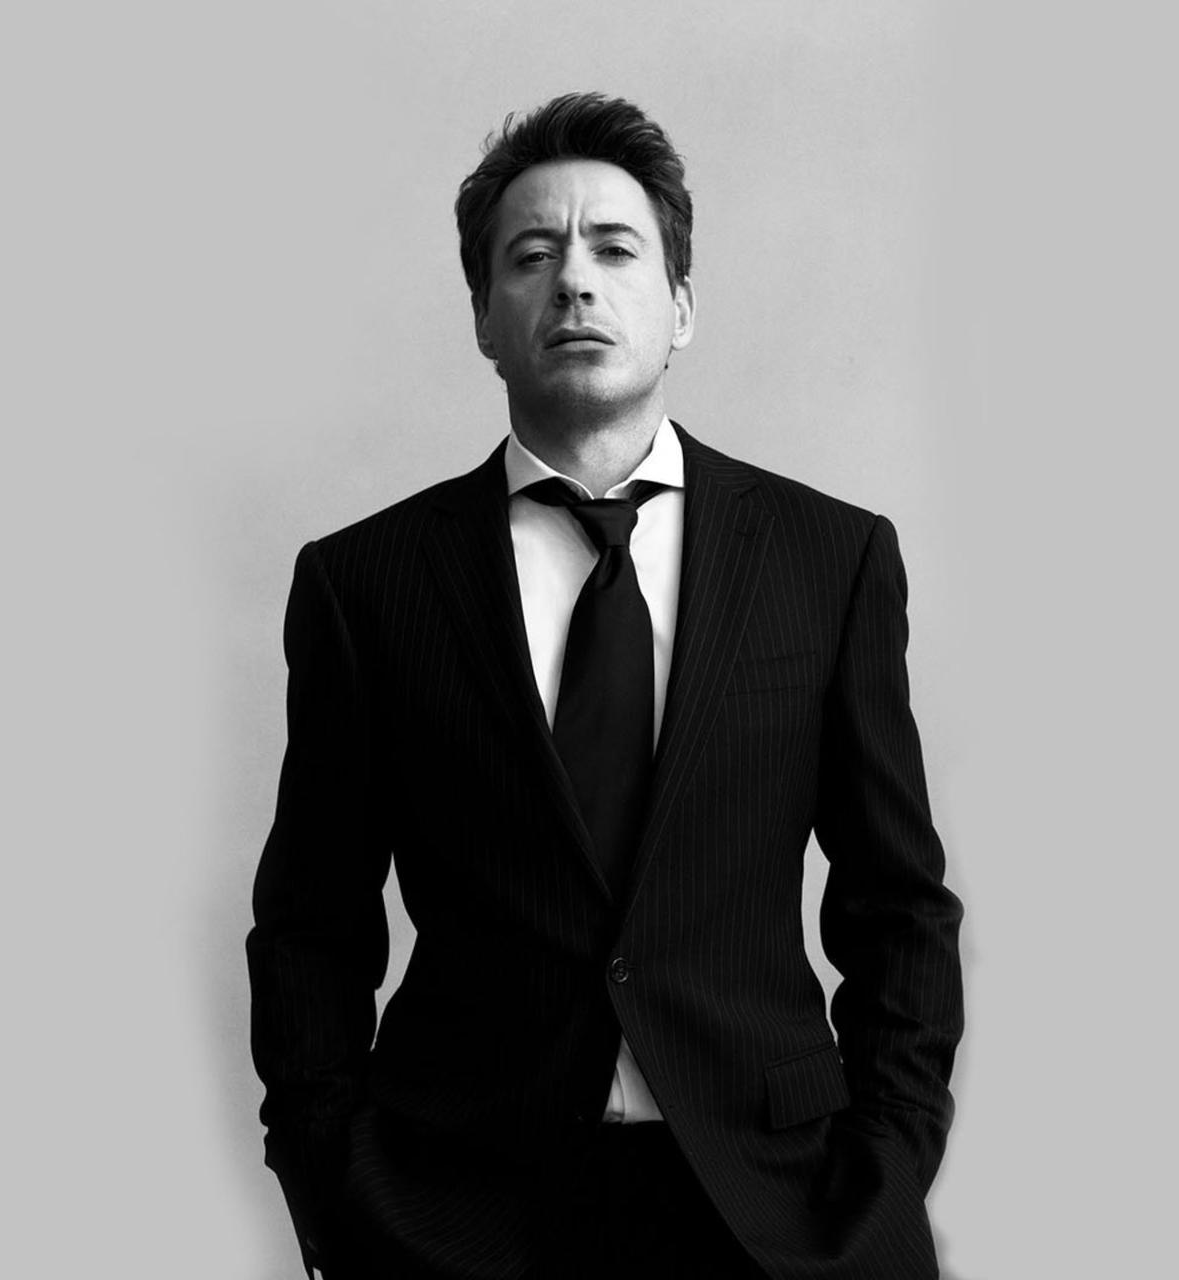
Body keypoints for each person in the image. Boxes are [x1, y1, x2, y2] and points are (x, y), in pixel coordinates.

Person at [247, 91, 963, 1280]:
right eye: (532, 256)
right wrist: (333, 1182)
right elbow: (310, 926)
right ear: (485, 316)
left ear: (680, 306)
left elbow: (901, 906)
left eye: (616, 250)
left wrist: (887, 1161)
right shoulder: (367, 584)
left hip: (776, 1212)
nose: (575, 280)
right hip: (456, 1212)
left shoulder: (826, 558)